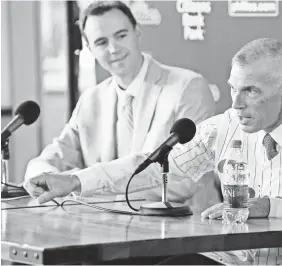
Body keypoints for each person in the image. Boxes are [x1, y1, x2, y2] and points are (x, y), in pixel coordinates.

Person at [24, 38, 282, 265]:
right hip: (238, 257)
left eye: (251, 91)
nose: (235, 104)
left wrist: (274, 208)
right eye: (232, 89)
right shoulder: (225, 126)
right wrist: (74, 181)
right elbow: (154, 166)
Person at [24, 1, 218, 206]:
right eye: (101, 42)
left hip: (185, 229)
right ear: (89, 48)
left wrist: (81, 183)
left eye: (121, 35)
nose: (113, 49)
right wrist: (44, 178)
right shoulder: (91, 99)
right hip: (109, 229)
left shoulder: (188, 87)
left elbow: (184, 180)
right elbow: (51, 158)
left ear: (137, 32)